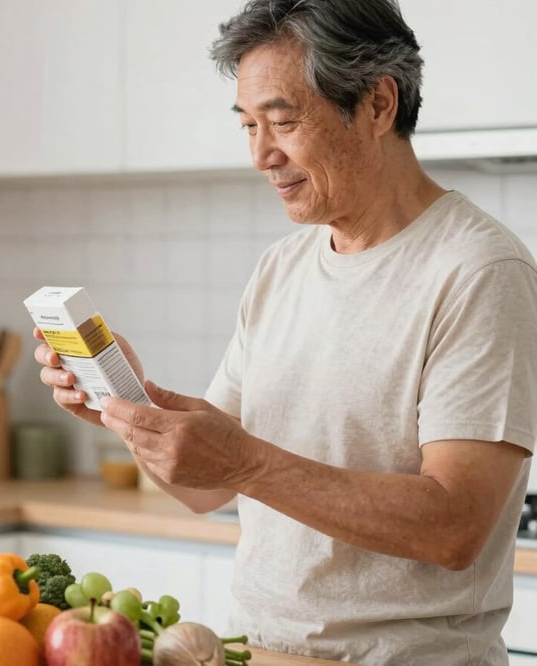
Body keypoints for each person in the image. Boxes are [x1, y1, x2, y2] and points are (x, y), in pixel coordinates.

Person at [32, 0, 537, 663]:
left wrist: (245, 459)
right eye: (247, 126)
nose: (262, 155)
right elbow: (206, 486)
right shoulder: (283, 268)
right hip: (258, 653)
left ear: (379, 105)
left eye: (283, 121)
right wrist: (126, 407)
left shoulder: (478, 270)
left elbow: (454, 526)